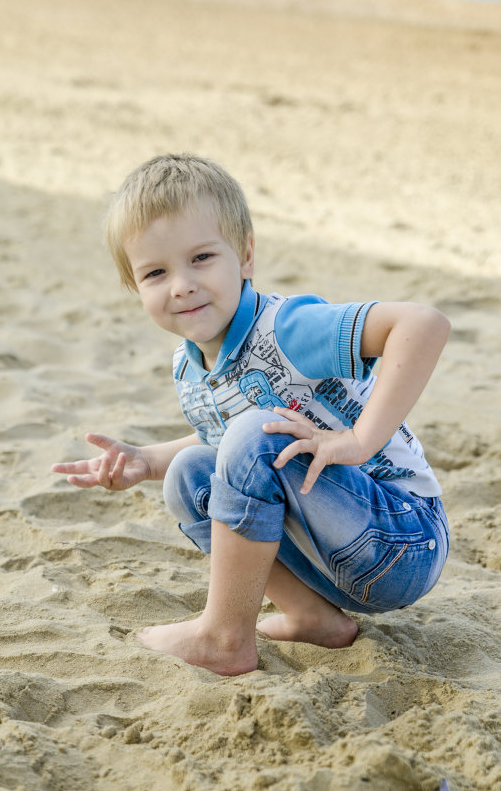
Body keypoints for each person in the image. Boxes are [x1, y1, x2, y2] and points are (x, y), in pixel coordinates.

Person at [52, 154, 451, 677]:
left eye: (201, 258)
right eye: (156, 272)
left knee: (250, 434)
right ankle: (311, 616)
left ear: (244, 257)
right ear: (135, 287)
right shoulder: (191, 363)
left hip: (401, 538)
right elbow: (227, 445)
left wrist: (359, 440)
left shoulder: (288, 328)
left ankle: (223, 637)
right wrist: (146, 460)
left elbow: (423, 325)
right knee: (189, 472)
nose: (181, 285)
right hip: (330, 556)